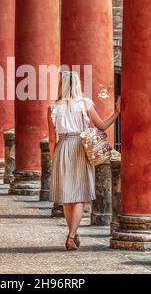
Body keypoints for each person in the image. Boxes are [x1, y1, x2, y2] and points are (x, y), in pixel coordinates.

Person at [48, 71, 121, 251]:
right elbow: (102, 126)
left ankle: (73, 232)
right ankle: (71, 236)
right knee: (79, 194)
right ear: (78, 85)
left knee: (67, 196)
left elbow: (51, 139)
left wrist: (54, 158)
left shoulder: (52, 108)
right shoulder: (85, 104)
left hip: (62, 147)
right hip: (80, 147)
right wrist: (117, 112)